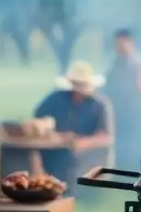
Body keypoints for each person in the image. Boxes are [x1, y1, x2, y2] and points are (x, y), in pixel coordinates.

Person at [32, 61, 113, 190]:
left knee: (70, 158)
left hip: (85, 152)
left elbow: (105, 137)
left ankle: (70, 189)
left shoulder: (100, 105)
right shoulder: (56, 98)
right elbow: (38, 117)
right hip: (54, 146)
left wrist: (81, 143)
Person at [104, 29, 141, 170]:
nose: (120, 46)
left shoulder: (140, 64)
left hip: (134, 109)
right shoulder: (115, 63)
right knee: (119, 137)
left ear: (130, 43)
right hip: (117, 108)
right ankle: (120, 164)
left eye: (123, 43)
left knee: (134, 139)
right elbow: (109, 84)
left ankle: (134, 165)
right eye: (118, 44)